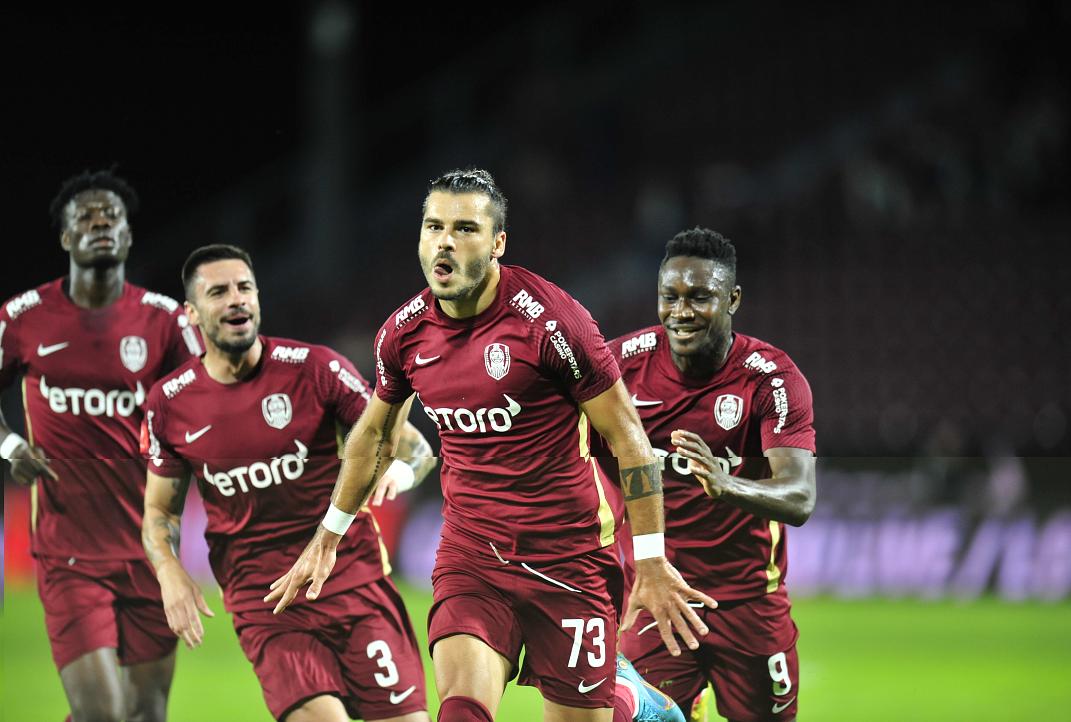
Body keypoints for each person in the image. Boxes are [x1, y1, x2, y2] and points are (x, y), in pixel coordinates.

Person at [266, 169, 717, 722]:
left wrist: (650, 560)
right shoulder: (403, 334)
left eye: (465, 228)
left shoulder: (552, 322)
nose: (445, 242)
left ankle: (639, 700)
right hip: (473, 556)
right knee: (461, 712)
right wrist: (328, 535)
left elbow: (630, 441)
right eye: (434, 227)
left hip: (569, 558)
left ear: (497, 242)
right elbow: (375, 436)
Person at [141, 244, 435, 722]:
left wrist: (399, 475)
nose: (236, 299)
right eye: (218, 292)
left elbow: (416, 449)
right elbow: (159, 511)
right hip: (268, 607)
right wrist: (168, 570)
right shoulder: (169, 405)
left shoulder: (315, 370)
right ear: (191, 313)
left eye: (244, 288)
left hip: (355, 586)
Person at [0, 169, 202, 721]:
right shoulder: (23, 318)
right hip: (69, 553)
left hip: (152, 549)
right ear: (66, 237)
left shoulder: (165, 321)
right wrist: (11, 447)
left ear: (129, 235)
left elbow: (209, 400)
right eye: (85, 218)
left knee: (146, 714)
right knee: (103, 716)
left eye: (111, 216)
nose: (100, 224)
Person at [606, 228, 816, 722]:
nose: (681, 312)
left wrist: (726, 485)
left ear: (732, 300)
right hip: (659, 593)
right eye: (670, 297)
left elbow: (800, 496)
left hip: (748, 602)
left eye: (699, 297)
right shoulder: (621, 367)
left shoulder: (771, 379)